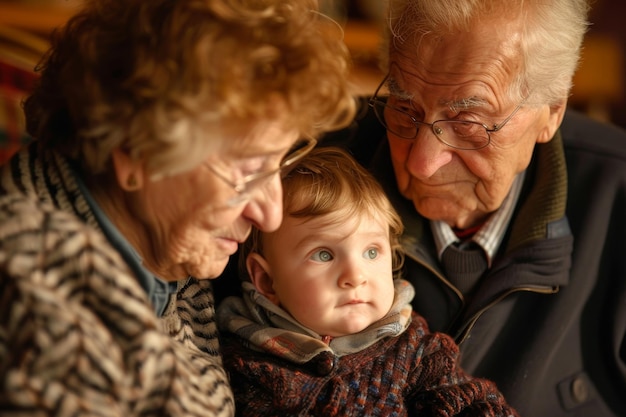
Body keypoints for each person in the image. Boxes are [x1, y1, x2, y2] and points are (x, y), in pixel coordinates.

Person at [0, 0, 355, 415]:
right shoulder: (34, 300)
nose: (270, 215)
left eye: (280, 163)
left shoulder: (160, 249)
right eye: (247, 170)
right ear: (134, 151)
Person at [319, 0, 626, 416]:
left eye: (468, 124)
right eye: (406, 109)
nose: (421, 163)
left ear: (552, 110)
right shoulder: (309, 176)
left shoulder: (616, 198)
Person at [216, 147, 519, 417]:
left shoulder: (415, 351)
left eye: (371, 252)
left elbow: (471, 402)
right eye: (323, 255)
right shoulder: (243, 364)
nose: (355, 276)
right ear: (268, 281)